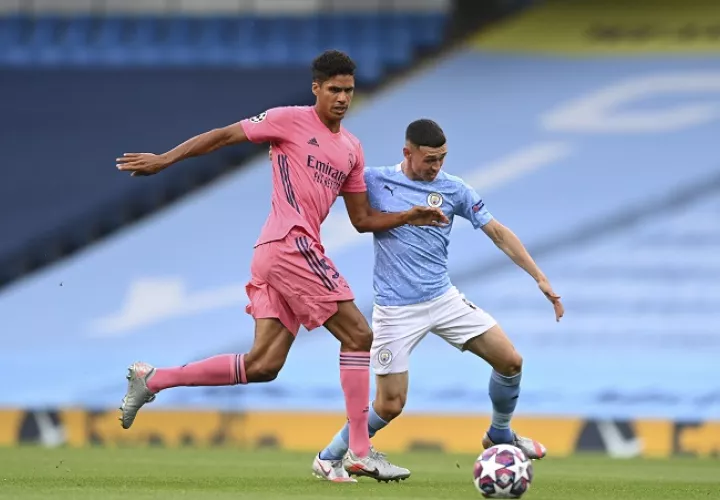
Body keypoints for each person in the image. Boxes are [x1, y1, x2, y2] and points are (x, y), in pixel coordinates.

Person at [114, 51, 448, 477]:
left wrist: (409, 215)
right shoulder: (288, 120)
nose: (342, 98)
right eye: (334, 89)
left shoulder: (351, 149)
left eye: (348, 90)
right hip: (290, 244)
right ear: (316, 89)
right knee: (358, 334)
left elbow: (363, 220)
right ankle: (359, 451)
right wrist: (166, 159)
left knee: (263, 365)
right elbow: (222, 136)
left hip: (282, 253)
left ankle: (153, 379)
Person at [311, 119, 565, 482]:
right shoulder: (374, 180)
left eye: (442, 159)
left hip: (443, 298)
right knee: (390, 405)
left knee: (510, 361)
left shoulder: (453, 188)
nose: (436, 167)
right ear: (407, 153)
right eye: (429, 159)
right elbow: (322, 184)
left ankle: (499, 433)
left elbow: (497, 232)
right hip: (395, 310)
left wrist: (539, 277)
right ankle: (329, 456)